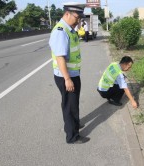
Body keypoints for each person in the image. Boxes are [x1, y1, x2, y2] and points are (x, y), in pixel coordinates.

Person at [49, 2, 90, 144]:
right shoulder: (60, 31)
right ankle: (72, 137)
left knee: (73, 102)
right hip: (66, 76)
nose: (78, 20)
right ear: (67, 13)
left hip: (73, 74)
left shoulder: (69, 29)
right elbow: (60, 57)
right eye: (77, 17)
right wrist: (67, 79)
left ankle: (74, 123)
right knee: (69, 105)